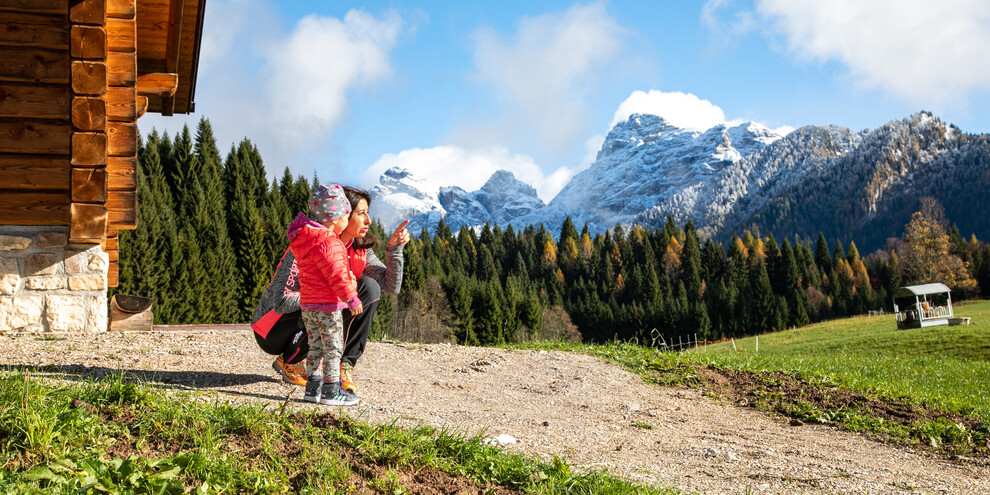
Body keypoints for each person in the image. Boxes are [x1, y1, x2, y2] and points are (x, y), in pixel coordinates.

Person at [288, 184, 363, 406]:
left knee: (315, 347)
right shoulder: (329, 242)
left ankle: (313, 388)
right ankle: (331, 390)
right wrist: (352, 298)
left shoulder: (306, 239)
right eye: (345, 217)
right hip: (328, 306)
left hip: (308, 305)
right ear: (334, 218)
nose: (346, 223)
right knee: (333, 349)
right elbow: (337, 275)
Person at [337, 186, 409, 393]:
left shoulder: (360, 249)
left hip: (330, 318)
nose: (368, 220)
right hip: (298, 320)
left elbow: (390, 286)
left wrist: (394, 249)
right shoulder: (319, 244)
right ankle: (291, 357)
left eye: (368, 213)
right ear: (343, 215)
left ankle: (346, 365)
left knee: (370, 287)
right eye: (361, 213)